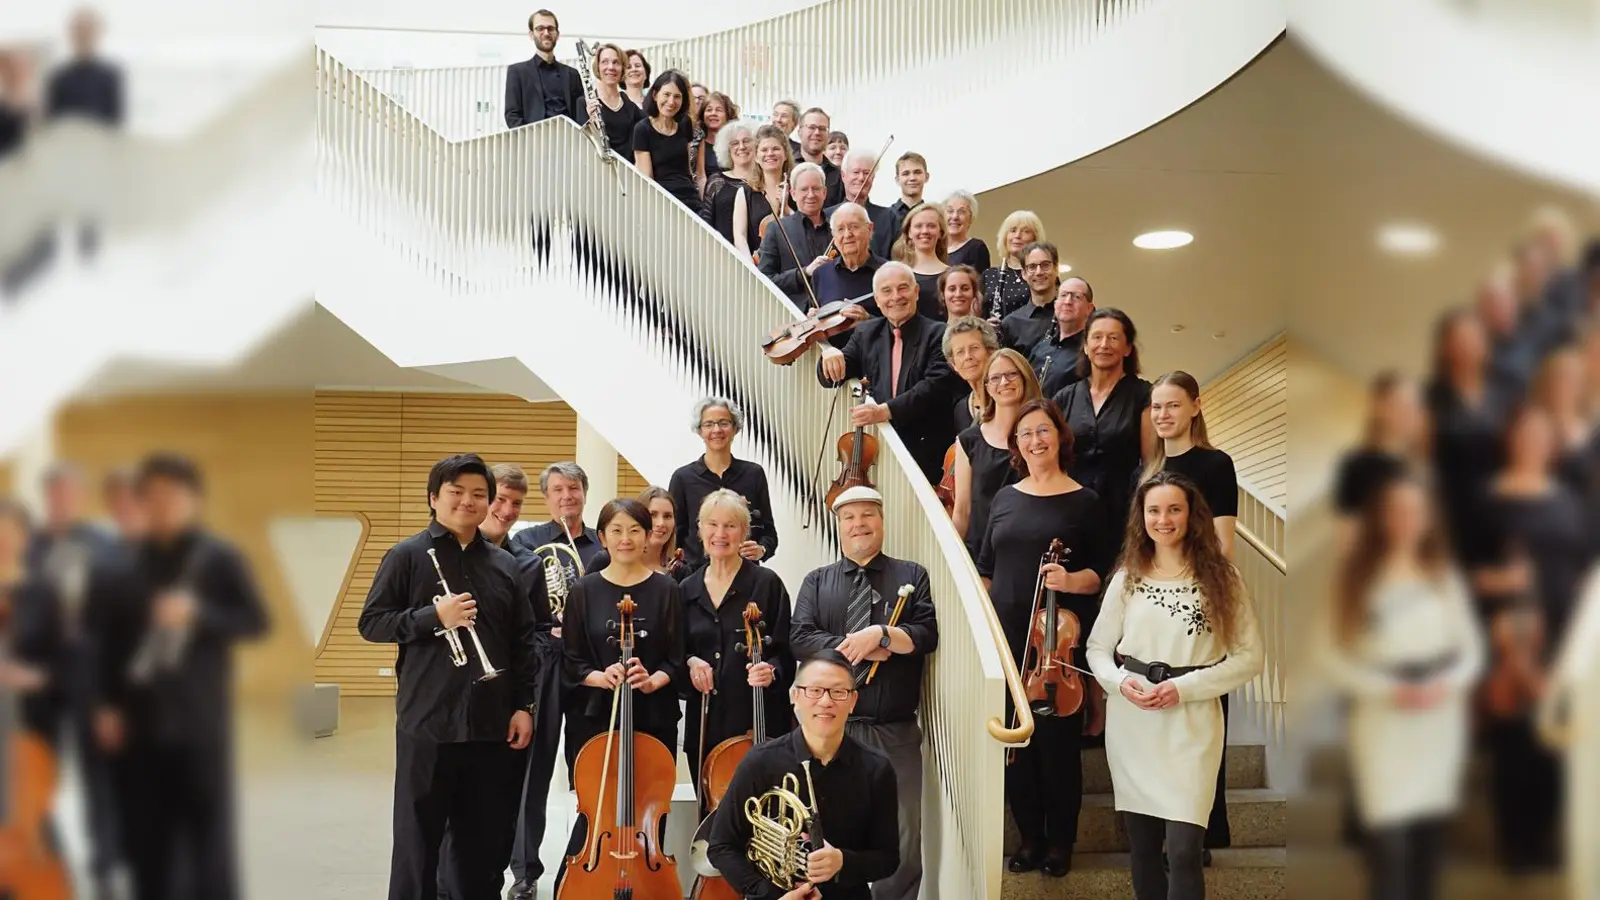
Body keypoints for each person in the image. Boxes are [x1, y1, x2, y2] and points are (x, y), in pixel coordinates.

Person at [84, 453, 270, 900]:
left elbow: (254, 620)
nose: (165, 506)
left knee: (207, 837)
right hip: (138, 723)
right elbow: (102, 646)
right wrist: (103, 706)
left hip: (199, 721)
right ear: (142, 501)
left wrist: (198, 614)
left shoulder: (219, 558)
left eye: (175, 496)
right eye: (155, 497)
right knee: (146, 837)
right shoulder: (118, 568)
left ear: (194, 500)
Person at [357, 454, 536, 900]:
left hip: (491, 723)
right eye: (456, 492)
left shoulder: (504, 565)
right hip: (428, 721)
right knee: (418, 841)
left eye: (478, 494)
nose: (467, 501)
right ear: (434, 497)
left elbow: (522, 642)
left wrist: (523, 706)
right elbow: (373, 623)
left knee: (481, 844)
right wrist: (432, 616)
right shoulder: (406, 556)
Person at [1086, 471, 1263, 900]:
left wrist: (1184, 689)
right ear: (1141, 517)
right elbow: (1096, 648)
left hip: (1193, 722)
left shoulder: (1223, 578)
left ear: (1191, 515)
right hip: (1135, 721)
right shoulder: (1127, 576)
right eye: (1154, 510)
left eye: (1174, 509)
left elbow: (1249, 658)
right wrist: (1121, 683)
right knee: (1143, 847)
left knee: (1184, 851)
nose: (1163, 519)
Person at [1317, 475, 1484, 900]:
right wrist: (1389, 690)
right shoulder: (1354, 576)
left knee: (1428, 848)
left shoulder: (1443, 576)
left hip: (1437, 721)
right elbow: (1329, 656)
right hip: (1381, 721)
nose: (1406, 519)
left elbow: (1472, 651)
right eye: (1396, 510)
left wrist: (1443, 686)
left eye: (1415, 510)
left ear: (1428, 518)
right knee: (1389, 852)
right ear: (1380, 517)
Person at [977, 398, 1110, 877]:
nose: (1035, 440)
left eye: (1043, 431)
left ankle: (1060, 842)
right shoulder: (1005, 498)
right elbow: (987, 570)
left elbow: (1100, 573)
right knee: (1017, 748)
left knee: (1056, 749)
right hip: (1008, 639)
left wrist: (1072, 582)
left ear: (1060, 437)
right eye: (1026, 434)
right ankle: (1030, 836)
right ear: (1016, 444)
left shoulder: (1086, 501)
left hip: (1054, 642)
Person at [790, 486, 938, 900]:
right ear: (838, 526)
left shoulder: (912, 575)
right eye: (849, 517)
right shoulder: (817, 581)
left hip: (894, 730)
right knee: (824, 828)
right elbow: (801, 638)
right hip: (832, 730)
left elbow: (925, 634)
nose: (859, 524)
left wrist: (885, 635)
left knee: (904, 835)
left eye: (868, 515)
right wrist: (852, 647)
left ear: (882, 521)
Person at [559, 498, 685, 889]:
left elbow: (677, 659)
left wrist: (652, 680)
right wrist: (600, 675)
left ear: (649, 536)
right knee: (594, 812)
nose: (626, 539)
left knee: (648, 809)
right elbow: (571, 660)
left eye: (635, 530)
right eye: (616, 530)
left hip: (653, 716)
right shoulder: (583, 590)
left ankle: (646, 886)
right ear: (602, 538)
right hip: (595, 718)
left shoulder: (667, 590)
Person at [444, 464, 555, 900]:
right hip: (449, 703)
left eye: (516, 504)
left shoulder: (524, 564)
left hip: (502, 703)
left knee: (495, 807)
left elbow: (535, 633)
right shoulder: (439, 555)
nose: (506, 511)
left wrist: (523, 704)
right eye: (500, 500)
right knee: (448, 808)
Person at [706, 650, 900, 900]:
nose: (826, 701)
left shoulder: (876, 769)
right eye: (815, 690)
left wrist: (842, 862)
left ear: (853, 702)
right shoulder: (760, 761)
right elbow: (721, 846)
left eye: (838, 692)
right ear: (795, 696)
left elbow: (888, 859)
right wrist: (770, 894)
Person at [27, 462, 121, 896]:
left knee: (98, 777)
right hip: (39, 682)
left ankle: (103, 867)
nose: (63, 501)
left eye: (70, 493)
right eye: (56, 493)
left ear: (80, 498)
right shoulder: (25, 548)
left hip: (91, 680)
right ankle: (45, 861)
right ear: (47, 498)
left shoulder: (102, 545)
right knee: (36, 777)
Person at [681, 489, 794, 804]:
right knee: (712, 815)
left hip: (757, 723)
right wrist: (690, 662)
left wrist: (771, 670)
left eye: (730, 525)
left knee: (765, 814)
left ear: (744, 532)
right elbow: (675, 654)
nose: (720, 534)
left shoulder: (767, 584)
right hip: (706, 724)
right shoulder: (685, 590)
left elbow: (787, 652)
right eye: (712, 524)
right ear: (699, 530)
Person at [818, 261, 962, 485]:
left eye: (903, 288)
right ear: (877, 300)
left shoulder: (939, 334)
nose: (896, 296)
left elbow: (934, 387)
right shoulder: (866, 333)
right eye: (886, 291)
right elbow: (836, 374)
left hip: (927, 451)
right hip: (882, 448)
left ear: (916, 292)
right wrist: (828, 355)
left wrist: (884, 411)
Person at [1052, 308, 1156, 560]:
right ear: (1086, 346)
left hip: (1124, 510)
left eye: (1113, 338)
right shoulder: (1064, 397)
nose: (1104, 345)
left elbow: (1151, 462)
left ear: (1128, 348)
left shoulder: (1144, 394)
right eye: (1096, 337)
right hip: (1071, 510)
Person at [669, 396, 780, 572]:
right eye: (709, 424)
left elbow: (769, 533)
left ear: (735, 428)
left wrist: (761, 550)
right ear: (699, 431)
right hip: (696, 578)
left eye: (724, 423)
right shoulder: (682, 478)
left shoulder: (754, 474)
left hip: (744, 576)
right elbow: (674, 535)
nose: (716, 430)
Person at [953, 349, 1041, 557]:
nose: (1004, 382)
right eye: (995, 378)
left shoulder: (1042, 438)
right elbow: (962, 510)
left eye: (1012, 374)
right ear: (987, 387)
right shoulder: (969, 440)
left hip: (1029, 548)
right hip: (982, 551)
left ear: (1025, 378)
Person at [1147, 371, 1239, 559]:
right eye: (1156, 407)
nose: (1163, 415)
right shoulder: (1142, 474)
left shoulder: (1217, 465)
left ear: (1195, 407)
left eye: (1173, 406)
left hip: (1198, 579)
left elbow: (1224, 548)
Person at [756, 162, 833, 307]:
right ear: (793, 194)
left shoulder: (838, 228)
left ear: (824, 193)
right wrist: (804, 273)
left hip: (835, 311)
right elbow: (764, 280)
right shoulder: (777, 229)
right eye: (804, 189)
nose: (811, 195)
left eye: (816, 189)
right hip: (796, 316)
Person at [504, 10, 588, 129]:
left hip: (569, 142)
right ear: (531, 34)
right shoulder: (517, 72)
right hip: (533, 143)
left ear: (557, 35)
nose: (546, 32)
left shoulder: (572, 74)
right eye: (540, 28)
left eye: (550, 28)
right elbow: (512, 116)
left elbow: (580, 115)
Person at [634, 70, 700, 210]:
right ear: (655, 95)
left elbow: (687, 168)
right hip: (662, 201)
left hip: (690, 197)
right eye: (667, 94)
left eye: (677, 97)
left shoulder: (684, 123)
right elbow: (647, 180)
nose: (671, 102)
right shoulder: (642, 129)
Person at [732, 124, 793, 261]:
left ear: (785, 155)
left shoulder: (796, 189)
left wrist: (787, 208)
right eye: (764, 150)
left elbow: (805, 230)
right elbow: (740, 237)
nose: (770, 153)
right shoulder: (745, 193)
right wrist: (751, 268)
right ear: (756, 157)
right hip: (758, 266)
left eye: (776, 149)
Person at [1027, 277, 1094, 397]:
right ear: (1055, 304)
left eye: (1077, 297)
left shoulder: (1090, 352)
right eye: (1063, 295)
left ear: (1089, 308)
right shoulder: (1041, 347)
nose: (1068, 301)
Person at [996, 242, 1061, 352]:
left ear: (1056, 269)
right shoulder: (1010, 324)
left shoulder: (1071, 316)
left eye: (1045, 265)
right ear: (1024, 274)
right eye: (1032, 267)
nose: (1039, 272)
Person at [981, 211, 1046, 320]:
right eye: (1013, 230)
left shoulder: (1041, 274)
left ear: (1035, 239)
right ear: (1005, 237)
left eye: (1025, 231)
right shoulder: (989, 275)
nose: (1017, 236)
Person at [583, 42, 642, 157]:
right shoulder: (584, 103)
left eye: (616, 62)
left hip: (627, 170)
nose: (611, 67)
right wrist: (591, 122)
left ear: (622, 68)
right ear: (598, 67)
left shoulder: (631, 107)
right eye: (605, 62)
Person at [893, 203, 950, 320]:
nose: (925, 231)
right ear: (909, 232)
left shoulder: (951, 275)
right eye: (918, 226)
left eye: (931, 226)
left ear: (940, 232)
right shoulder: (898, 275)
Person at [639, 485, 692, 580]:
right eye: (652, 515)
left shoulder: (681, 573)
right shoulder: (618, 564)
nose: (661, 523)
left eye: (667, 516)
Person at [942, 191, 991, 273]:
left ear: (971, 218)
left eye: (962, 212)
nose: (955, 217)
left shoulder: (976, 248)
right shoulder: (934, 248)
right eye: (950, 211)